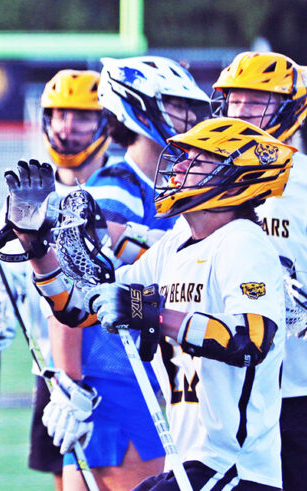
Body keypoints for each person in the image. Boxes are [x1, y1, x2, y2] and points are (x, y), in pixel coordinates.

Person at [6, 116, 293, 490]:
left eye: (197, 160)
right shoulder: (174, 245)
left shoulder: (242, 241)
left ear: (234, 178)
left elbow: (251, 339)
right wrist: (36, 247)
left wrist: (150, 312)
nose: (180, 167)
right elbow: (80, 308)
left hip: (235, 467)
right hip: (194, 461)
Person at [54, 56, 208, 490]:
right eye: (176, 105)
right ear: (140, 107)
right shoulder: (113, 191)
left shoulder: (163, 187)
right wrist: (68, 382)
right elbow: (69, 296)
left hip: (155, 378)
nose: (189, 117)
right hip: (118, 383)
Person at [0, 69, 113, 491]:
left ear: (105, 123)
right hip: (52, 363)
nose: (69, 127)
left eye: (82, 116)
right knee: (65, 477)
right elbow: (1, 267)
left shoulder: (119, 187)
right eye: (60, 115)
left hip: (112, 360)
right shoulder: (30, 190)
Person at [211, 51, 307, 491]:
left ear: (291, 109)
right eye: (234, 100)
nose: (241, 112)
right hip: (229, 390)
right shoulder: (210, 180)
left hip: (300, 390)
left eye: (257, 100)